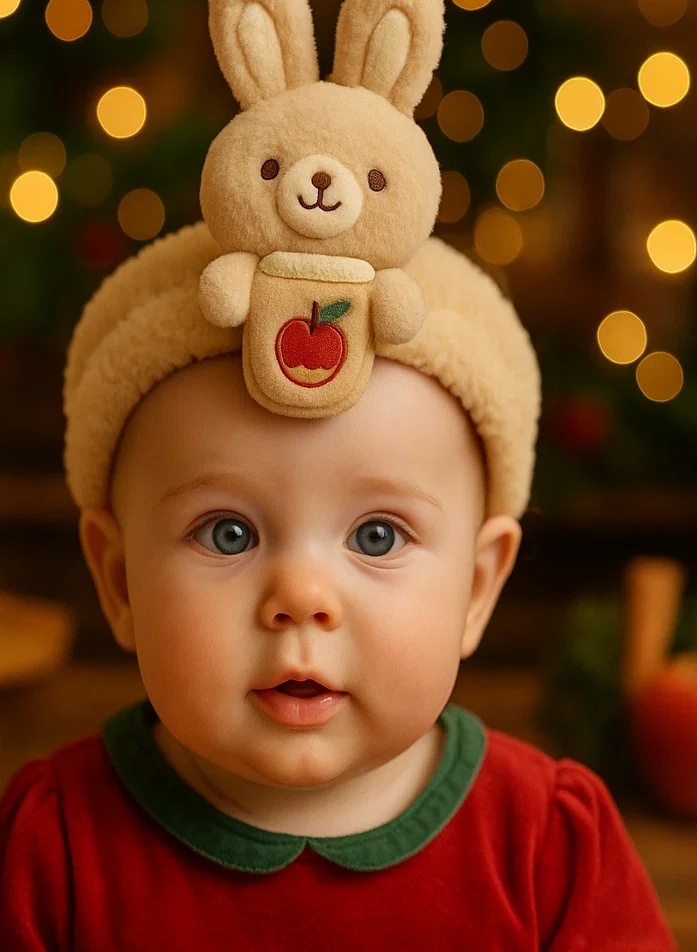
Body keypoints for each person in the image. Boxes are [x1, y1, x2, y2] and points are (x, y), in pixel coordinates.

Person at [0, 226, 677, 951]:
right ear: (120, 581)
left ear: (476, 588)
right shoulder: (54, 848)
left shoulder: (550, 846)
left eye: (376, 536)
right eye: (227, 533)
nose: (300, 595)